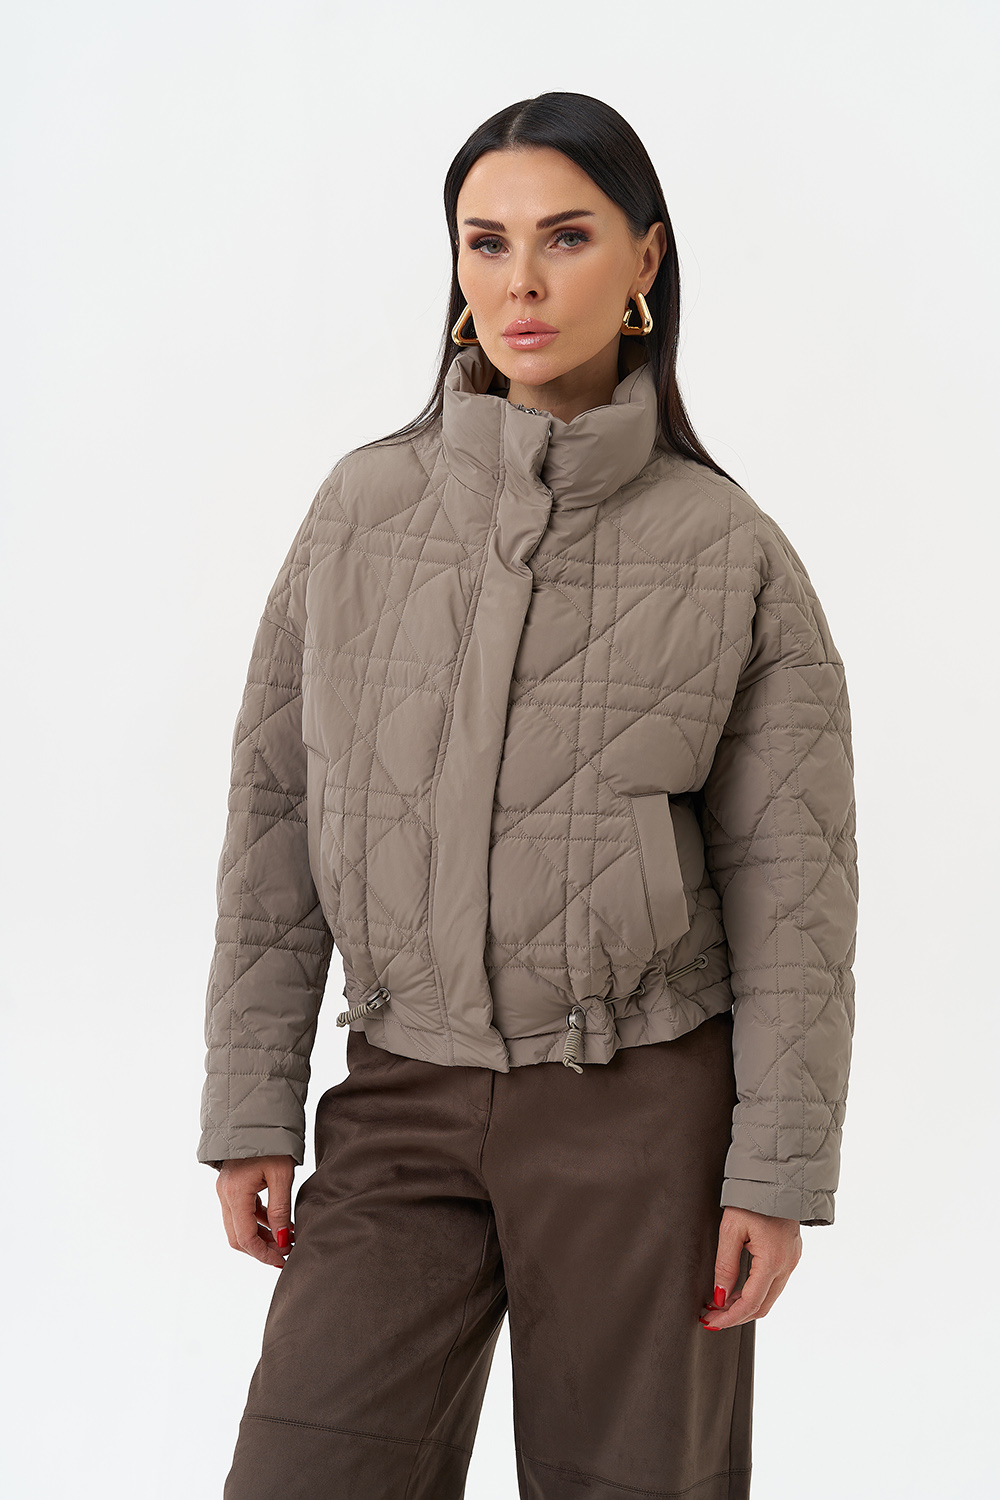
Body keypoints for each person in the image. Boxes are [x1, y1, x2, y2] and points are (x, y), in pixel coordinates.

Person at [198, 91, 858, 1500]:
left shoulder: (730, 550)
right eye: (485, 242)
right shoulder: (360, 513)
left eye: (566, 237)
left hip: (643, 1114)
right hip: (399, 1094)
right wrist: (253, 1101)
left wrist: (776, 1169)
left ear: (644, 261)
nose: (521, 283)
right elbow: (274, 819)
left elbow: (794, 884)